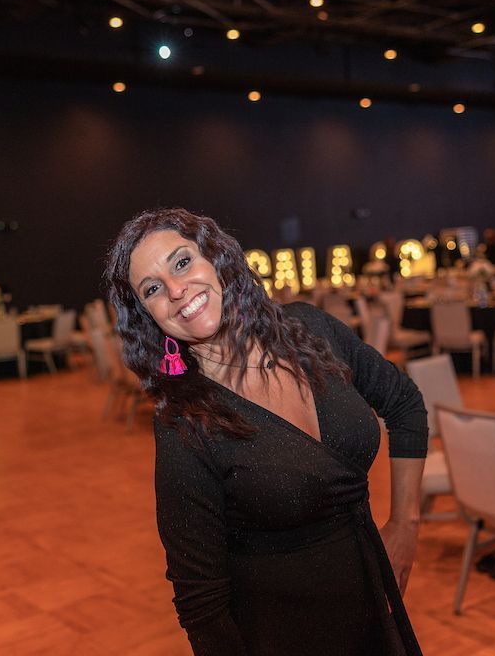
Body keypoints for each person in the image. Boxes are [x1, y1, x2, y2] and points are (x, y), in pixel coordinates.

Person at [105, 209, 427, 656]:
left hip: (376, 602)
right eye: (153, 289)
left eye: (182, 262)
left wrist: (406, 523)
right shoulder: (185, 423)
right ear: (148, 316)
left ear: (216, 258)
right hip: (285, 633)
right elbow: (201, 602)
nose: (177, 291)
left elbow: (404, 402)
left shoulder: (309, 329)